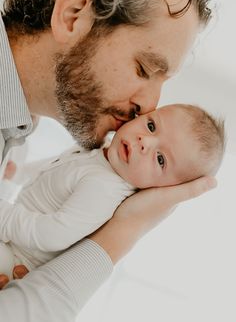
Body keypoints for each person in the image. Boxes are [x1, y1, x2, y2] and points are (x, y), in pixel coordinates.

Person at [0, 0, 217, 321]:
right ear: (73, 16)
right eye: (144, 69)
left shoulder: (16, 137)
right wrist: (121, 234)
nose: (148, 107)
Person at [0, 103, 225, 279]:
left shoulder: (105, 190)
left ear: (163, 189)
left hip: (18, 258)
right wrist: (19, 173)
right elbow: (56, 166)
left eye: (160, 159)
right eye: (151, 126)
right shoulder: (104, 149)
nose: (145, 141)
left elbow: (52, 234)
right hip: (14, 227)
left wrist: (5, 217)